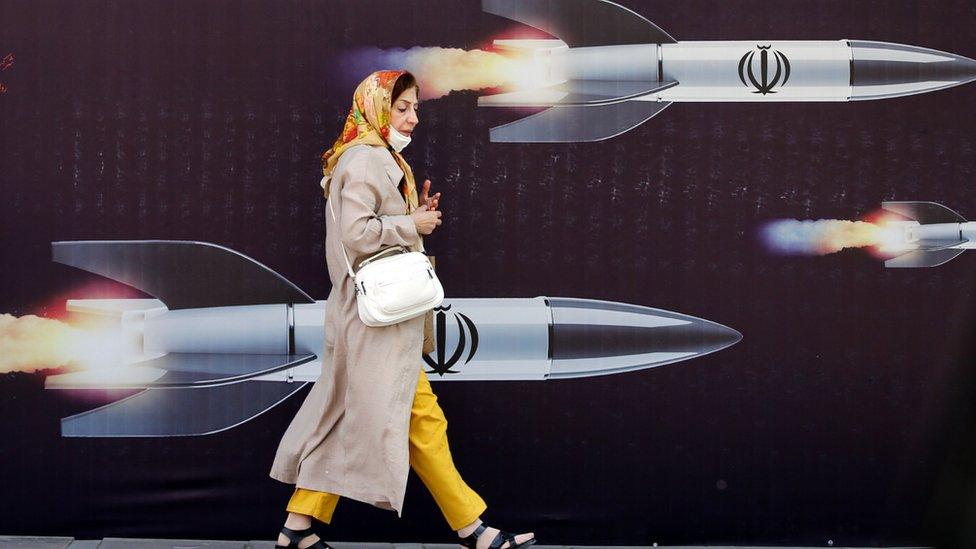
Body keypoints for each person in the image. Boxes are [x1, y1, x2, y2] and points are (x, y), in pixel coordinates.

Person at [268, 70, 537, 549]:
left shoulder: (374, 157)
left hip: (373, 319)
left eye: (415, 108)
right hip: (375, 320)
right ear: (375, 107)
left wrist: (413, 215)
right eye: (402, 108)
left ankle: (297, 527)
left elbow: (374, 226)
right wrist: (411, 223)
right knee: (421, 419)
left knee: (356, 416)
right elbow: (357, 234)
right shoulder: (363, 160)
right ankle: (473, 529)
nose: (413, 118)